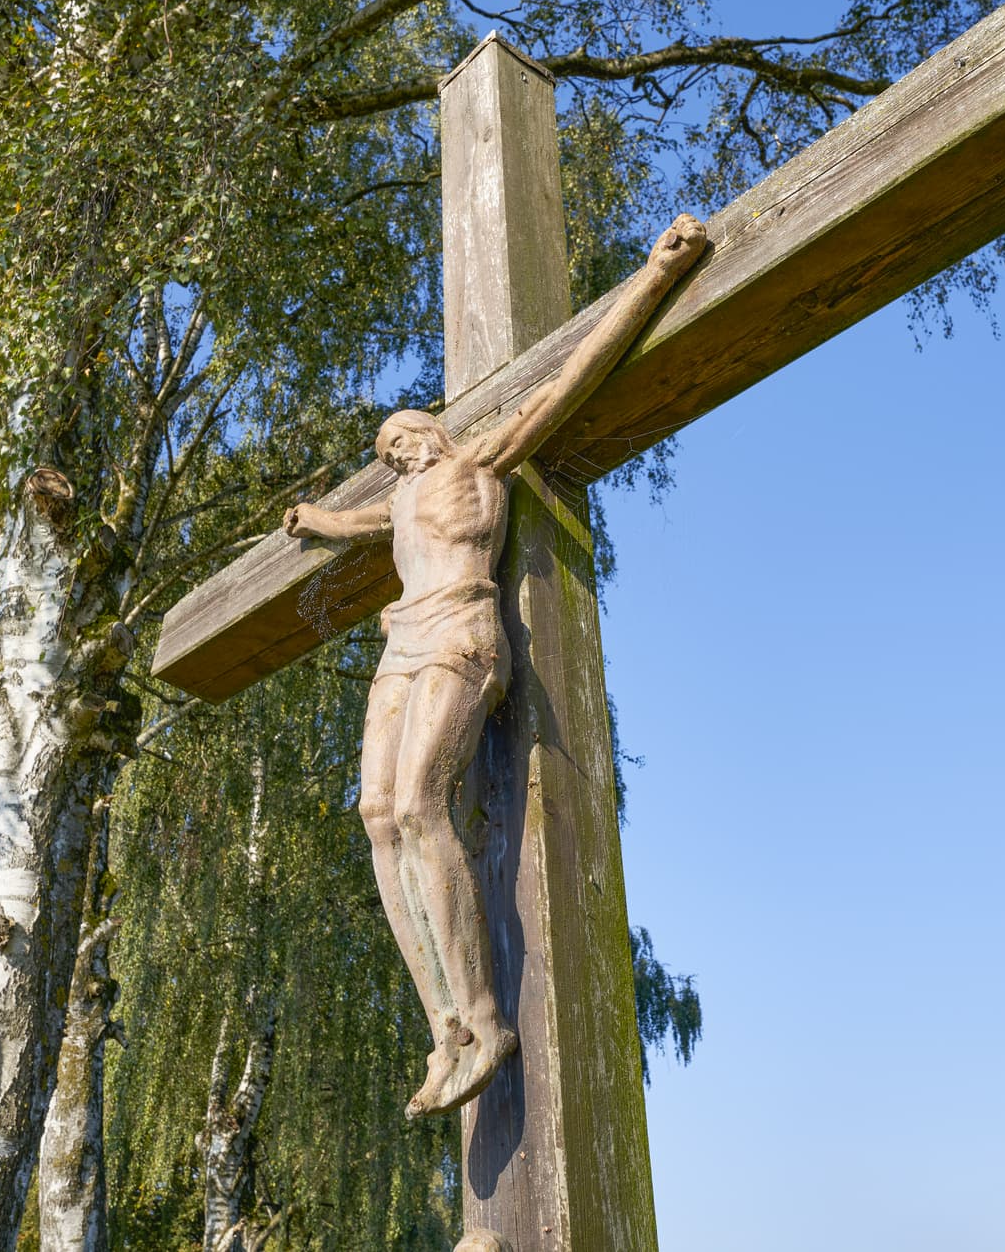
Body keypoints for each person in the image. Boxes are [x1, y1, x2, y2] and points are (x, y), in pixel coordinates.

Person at [284, 213, 707, 1116]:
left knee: (418, 803)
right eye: (388, 453)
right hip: (403, 643)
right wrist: (316, 520)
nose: (399, 453)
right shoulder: (397, 506)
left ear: (436, 431)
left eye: (405, 437)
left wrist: (654, 275)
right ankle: (444, 1028)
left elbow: (565, 385)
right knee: (375, 815)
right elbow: (365, 525)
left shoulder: (477, 463)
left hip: (460, 635)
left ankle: (485, 1015)